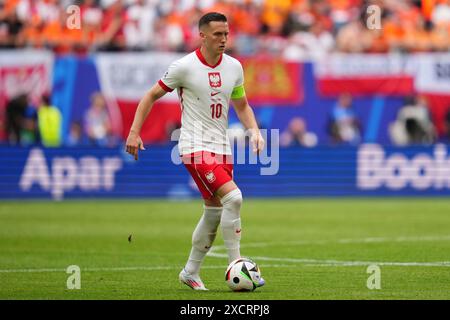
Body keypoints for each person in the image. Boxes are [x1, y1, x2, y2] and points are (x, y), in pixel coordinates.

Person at [125, 12, 265, 291]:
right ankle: (236, 266)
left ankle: (190, 271)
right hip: (193, 146)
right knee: (234, 198)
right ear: (202, 36)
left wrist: (255, 131)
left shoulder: (234, 67)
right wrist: (134, 132)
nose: (224, 39)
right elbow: (150, 96)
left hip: (222, 148)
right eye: (217, 34)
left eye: (226, 33)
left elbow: (242, 105)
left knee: (214, 212)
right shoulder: (184, 66)